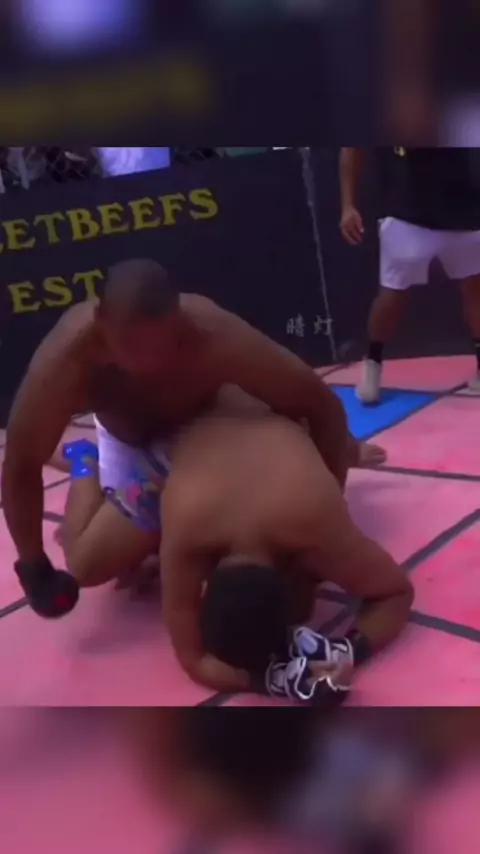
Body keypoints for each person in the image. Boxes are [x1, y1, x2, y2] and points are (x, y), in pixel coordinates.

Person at [2, 258, 385, 617]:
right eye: (132, 347)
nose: (149, 362)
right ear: (100, 320)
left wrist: (329, 503)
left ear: (180, 320)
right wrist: (34, 568)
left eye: (164, 347)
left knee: (271, 492)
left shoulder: (212, 333)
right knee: (86, 566)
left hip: (205, 435)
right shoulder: (66, 360)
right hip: (128, 442)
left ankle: (338, 452)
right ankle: (84, 461)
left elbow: (319, 404)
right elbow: (21, 463)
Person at [155, 392, 413, 702]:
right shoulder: (184, 533)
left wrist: (337, 656)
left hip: (269, 405)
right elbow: (195, 661)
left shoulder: (314, 525)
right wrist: (279, 677)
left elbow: (397, 592)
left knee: (316, 416)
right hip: (180, 424)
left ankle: (348, 448)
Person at [340, 147, 480, 403]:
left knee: (475, 289)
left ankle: (372, 366)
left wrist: (348, 206)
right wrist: (348, 205)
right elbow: (353, 147)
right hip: (409, 213)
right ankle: (372, 366)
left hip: (464, 212)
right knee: (393, 294)